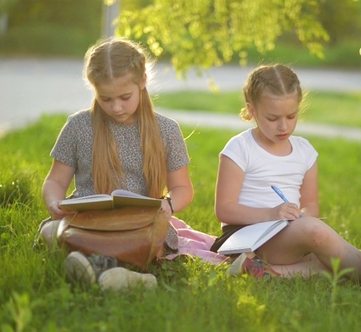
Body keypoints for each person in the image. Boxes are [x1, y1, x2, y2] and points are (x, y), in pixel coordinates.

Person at [38, 37, 226, 291]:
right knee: (50, 231)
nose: (116, 107)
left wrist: (168, 205)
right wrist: (53, 201)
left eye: (125, 97)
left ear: (142, 82)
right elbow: (55, 180)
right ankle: (124, 274)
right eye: (106, 99)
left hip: (141, 224)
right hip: (87, 221)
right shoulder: (78, 126)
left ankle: (99, 267)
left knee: (155, 237)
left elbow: (183, 189)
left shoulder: (166, 130)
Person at [211, 64, 361, 280]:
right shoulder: (240, 148)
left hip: (287, 235)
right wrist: (271, 214)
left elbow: (311, 205)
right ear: (252, 111)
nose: (283, 126)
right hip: (248, 239)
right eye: (272, 118)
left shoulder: (305, 151)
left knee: (329, 260)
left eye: (291, 116)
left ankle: (266, 272)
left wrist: (301, 216)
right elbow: (224, 210)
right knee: (317, 234)